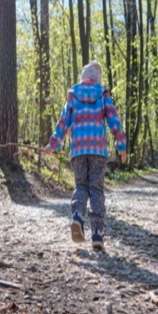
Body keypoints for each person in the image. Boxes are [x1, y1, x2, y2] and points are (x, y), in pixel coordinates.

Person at [44, 61, 127, 250]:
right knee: (96, 189)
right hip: (98, 150)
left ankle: (77, 217)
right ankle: (97, 233)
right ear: (97, 79)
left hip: (78, 150)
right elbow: (113, 119)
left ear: (82, 77)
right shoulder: (103, 93)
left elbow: (64, 121)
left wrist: (53, 144)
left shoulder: (73, 94)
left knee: (81, 185)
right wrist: (121, 145)